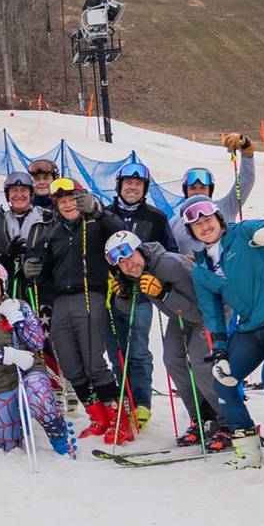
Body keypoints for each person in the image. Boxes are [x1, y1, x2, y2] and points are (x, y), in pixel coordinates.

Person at [185, 199, 264, 469]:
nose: (204, 227)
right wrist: (220, 351)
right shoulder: (201, 270)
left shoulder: (243, 233)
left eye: (208, 220)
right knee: (224, 382)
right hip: (249, 327)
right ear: (191, 232)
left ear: (219, 219)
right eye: (196, 224)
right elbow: (213, 313)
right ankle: (248, 450)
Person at [24, 178, 131, 443]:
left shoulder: (97, 223)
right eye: (62, 201)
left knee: (94, 363)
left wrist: (98, 211)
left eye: (73, 199)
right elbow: (45, 270)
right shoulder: (54, 232)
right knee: (70, 366)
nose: (68, 204)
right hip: (61, 300)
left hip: (89, 295)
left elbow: (120, 232)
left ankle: (120, 420)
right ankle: (98, 418)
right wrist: (34, 271)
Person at [106, 231, 227, 450]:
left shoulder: (171, 265)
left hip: (210, 313)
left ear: (140, 249)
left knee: (201, 363)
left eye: (129, 256)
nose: (128, 265)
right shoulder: (135, 273)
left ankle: (229, 421)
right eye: (121, 263)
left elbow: (201, 310)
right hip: (181, 314)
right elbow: (128, 309)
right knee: (172, 359)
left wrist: (164, 294)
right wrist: (123, 295)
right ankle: (202, 417)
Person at [0, 263, 73, 457]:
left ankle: (60, 438)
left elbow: (38, 342)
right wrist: (9, 355)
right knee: (6, 448)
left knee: (39, 397)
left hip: (27, 372)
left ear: (2, 283)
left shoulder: (20, 306)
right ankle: (18, 424)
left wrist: (17, 320)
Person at [103, 162, 176, 428]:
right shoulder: (105, 214)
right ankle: (125, 397)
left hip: (142, 293)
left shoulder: (155, 217)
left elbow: (169, 250)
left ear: (144, 188)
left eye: (138, 184)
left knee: (138, 349)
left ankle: (142, 401)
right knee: (116, 350)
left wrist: (156, 277)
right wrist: (107, 276)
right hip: (113, 293)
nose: (132, 188)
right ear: (119, 186)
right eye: (128, 183)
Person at [167, 133, 258, 255]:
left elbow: (246, 181)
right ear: (186, 191)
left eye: (203, 188)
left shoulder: (226, 206)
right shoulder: (175, 221)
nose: (198, 191)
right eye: (193, 188)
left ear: (210, 190)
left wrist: (246, 149)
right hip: (191, 273)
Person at [0, 172, 53, 297]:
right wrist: (6, 257)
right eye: (14, 190)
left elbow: (59, 251)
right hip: (8, 290)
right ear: (8, 195)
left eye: (23, 190)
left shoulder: (47, 219)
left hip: (41, 291)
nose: (19, 195)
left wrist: (43, 265)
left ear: (31, 194)